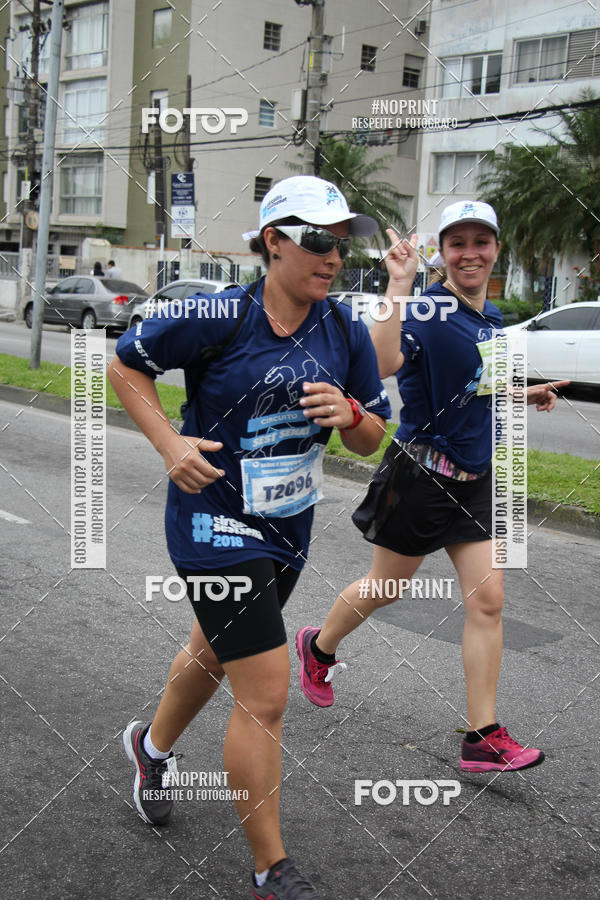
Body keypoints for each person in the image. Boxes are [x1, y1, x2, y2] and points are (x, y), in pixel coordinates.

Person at [107, 175, 392, 899]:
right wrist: (170, 444)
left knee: (212, 656)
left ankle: (150, 748)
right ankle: (272, 870)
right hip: (211, 524)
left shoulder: (346, 329)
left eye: (342, 243)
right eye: (319, 241)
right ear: (273, 241)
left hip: (287, 529)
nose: (334, 258)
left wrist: (350, 412)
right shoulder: (215, 314)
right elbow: (124, 365)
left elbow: (372, 439)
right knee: (265, 692)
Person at [296, 199, 569, 773]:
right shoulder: (424, 307)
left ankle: (482, 737)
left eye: (481, 242)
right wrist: (399, 283)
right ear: (442, 254)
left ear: (496, 249)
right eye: (457, 243)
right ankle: (317, 647)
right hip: (422, 477)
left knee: (488, 600)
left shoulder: (489, 316)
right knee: (386, 588)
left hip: (475, 480)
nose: (470, 253)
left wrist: (525, 394)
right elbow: (380, 360)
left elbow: (477, 386)